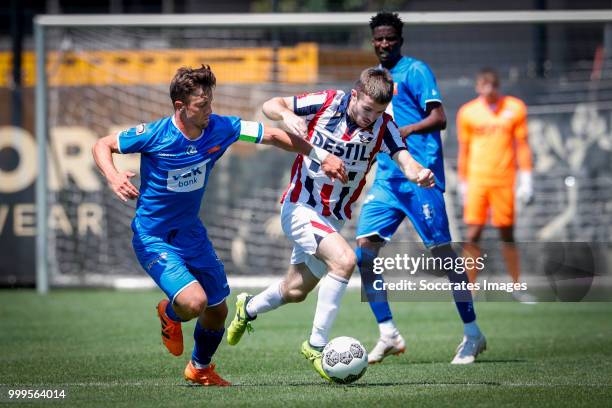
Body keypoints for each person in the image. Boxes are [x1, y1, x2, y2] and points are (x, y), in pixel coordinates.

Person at [92, 64, 345, 386]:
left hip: (191, 234)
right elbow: (103, 144)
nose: (209, 111)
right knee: (193, 303)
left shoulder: (221, 127)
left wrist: (320, 156)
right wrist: (113, 176)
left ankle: (199, 368)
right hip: (153, 236)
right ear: (180, 107)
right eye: (202, 105)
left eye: (211, 102)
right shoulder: (155, 134)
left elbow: (273, 135)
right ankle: (170, 314)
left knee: (217, 310)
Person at [225, 67, 435, 381]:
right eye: (367, 109)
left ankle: (248, 307)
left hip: (331, 218)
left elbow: (405, 160)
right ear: (355, 95)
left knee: (295, 290)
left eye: (378, 112)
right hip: (298, 206)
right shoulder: (326, 102)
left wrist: (419, 172)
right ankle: (316, 347)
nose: (370, 117)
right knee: (345, 260)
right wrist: (285, 114)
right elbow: (271, 105)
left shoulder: (384, 126)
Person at [354, 11, 486, 365]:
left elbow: (440, 117)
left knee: (444, 257)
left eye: (390, 38)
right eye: (378, 38)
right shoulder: (374, 80)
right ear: (373, 41)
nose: (384, 44)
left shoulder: (415, 70)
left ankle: (472, 332)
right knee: (363, 252)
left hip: (420, 177)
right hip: (387, 180)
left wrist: (405, 133)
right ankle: (388, 333)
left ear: (400, 39)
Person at [457, 68, 536, 304]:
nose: (488, 90)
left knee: (507, 233)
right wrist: (463, 182)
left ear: (497, 86)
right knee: (473, 233)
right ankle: (468, 289)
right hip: (478, 179)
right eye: (484, 85)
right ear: (478, 87)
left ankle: (516, 286)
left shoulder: (515, 108)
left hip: (504, 180)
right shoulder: (468, 112)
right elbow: (464, 150)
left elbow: (522, 145)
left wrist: (527, 178)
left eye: (492, 85)